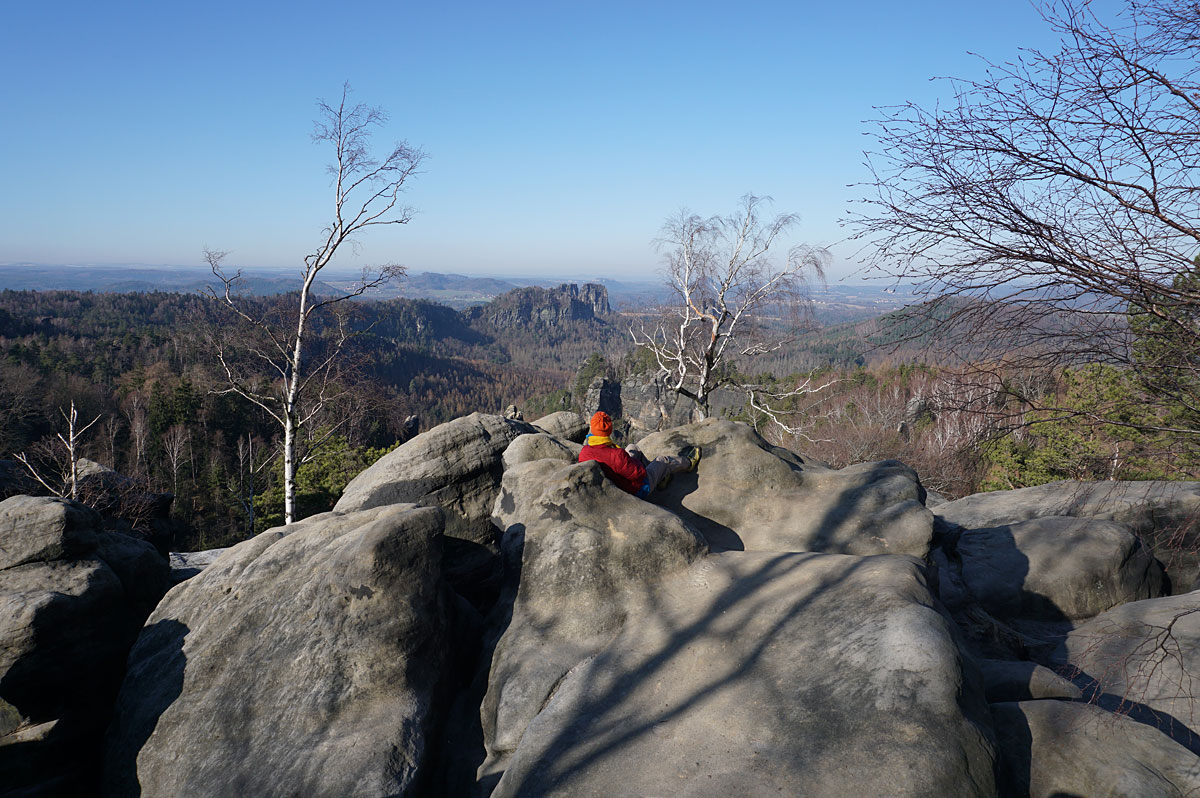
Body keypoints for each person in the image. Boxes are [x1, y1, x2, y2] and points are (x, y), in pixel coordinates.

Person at [578, 411, 700, 499]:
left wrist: (627, 460)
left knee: (632, 447)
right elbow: (639, 474)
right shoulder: (616, 454)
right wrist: (632, 462)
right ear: (609, 430)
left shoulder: (585, 452)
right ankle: (689, 463)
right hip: (635, 490)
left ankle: (661, 476)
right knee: (662, 460)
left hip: (615, 482)